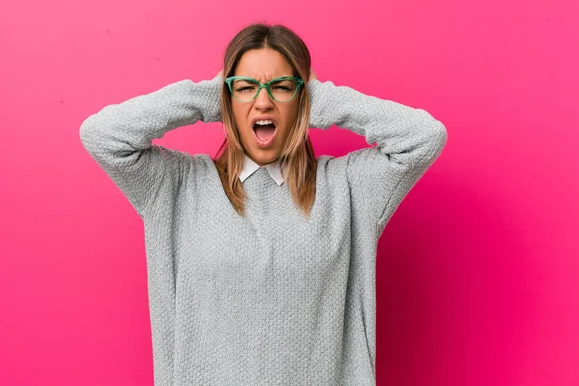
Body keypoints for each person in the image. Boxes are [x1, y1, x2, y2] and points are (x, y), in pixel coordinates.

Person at [79, 22, 448, 386]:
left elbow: (424, 137)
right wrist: (209, 96)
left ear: (302, 99)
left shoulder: (349, 188)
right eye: (246, 87)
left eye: (282, 87)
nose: (263, 101)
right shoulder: (176, 186)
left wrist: (323, 99)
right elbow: (102, 135)